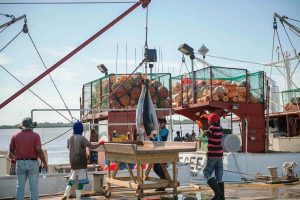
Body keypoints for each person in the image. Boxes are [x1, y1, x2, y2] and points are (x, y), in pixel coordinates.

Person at [62, 120, 105, 200]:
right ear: (81, 129)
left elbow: (69, 148)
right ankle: (78, 198)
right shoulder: (82, 138)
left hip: (73, 162)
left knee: (72, 178)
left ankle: (65, 195)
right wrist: (100, 143)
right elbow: (92, 147)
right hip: (81, 162)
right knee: (81, 181)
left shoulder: (69, 138)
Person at [9, 117, 48, 200]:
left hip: (19, 163)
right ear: (31, 126)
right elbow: (38, 150)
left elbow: (11, 149)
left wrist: (17, 156)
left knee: (19, 186)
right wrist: (44, 163)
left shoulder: (15, 136)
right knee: (33, 187)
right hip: (32, 163)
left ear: (22, 126)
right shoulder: (36, 136)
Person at [203, 113, 225, 200]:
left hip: (212, 155)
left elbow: (207, 134)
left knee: (206, 172)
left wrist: (204, 133)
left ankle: (218, 192)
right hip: (220, 155)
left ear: (211, 121)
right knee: (219, 176)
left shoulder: (211, 128)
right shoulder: (220, 128)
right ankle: (221, 197)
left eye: (209, 120)